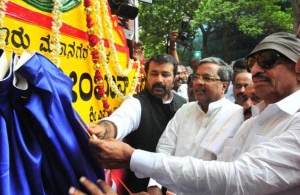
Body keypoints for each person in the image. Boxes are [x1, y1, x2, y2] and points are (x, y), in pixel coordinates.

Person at [83, 32, 300, 194]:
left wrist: (132, 157)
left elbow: (234, 177)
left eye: (268, 60)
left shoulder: (240, 116)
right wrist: (106, 128)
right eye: (253, 62)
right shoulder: (251, 122)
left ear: (224, 86)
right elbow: (165, 148)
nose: (257, 70)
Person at [87, 54, 187, 194]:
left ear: (174, 77)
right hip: (140, 188)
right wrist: (103, 129)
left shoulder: (184, 105)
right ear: (146, 74)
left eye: (165, 74)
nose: (159, 80)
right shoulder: (136, 103)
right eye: (154, 74)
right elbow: (120, 120)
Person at [147, 57, 244, 194]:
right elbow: (165, 149)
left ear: (224, 86)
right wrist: (154, 185)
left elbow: (226, 173)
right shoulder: (185, 110)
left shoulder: (237, 116)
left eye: (207, 78)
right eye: (196, 77)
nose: (198, 82)